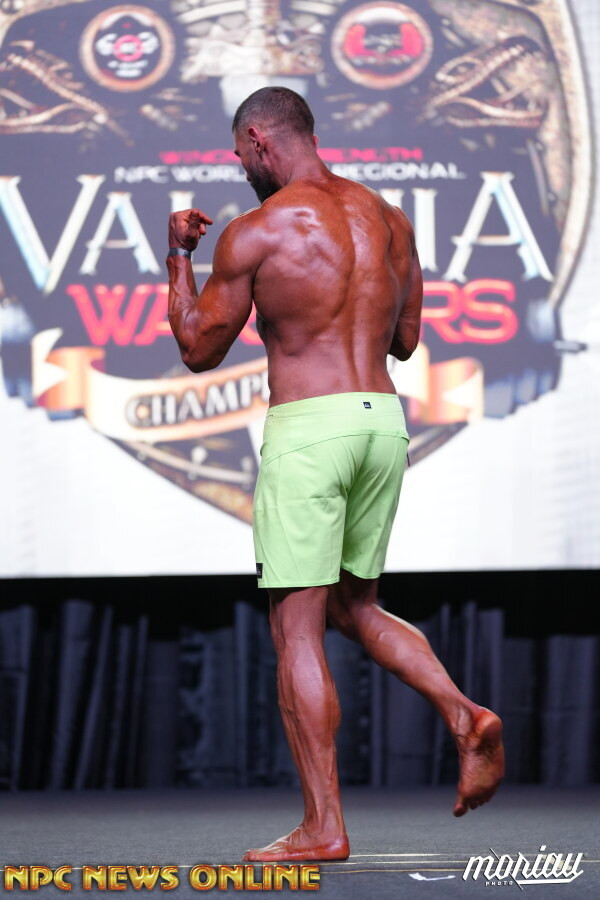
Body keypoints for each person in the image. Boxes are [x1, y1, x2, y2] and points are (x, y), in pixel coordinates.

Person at [166, 86, 504, 862]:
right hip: (381, 424)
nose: (242, 169)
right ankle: (463, 714)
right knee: (356, 605)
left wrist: (178, 257)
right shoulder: (389, 219)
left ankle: (323, 826)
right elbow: (407, 341)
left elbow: (197, 348)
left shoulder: (258, 230)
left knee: (297, 628)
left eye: (241, 156)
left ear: (260, 141)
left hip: (310, 428)